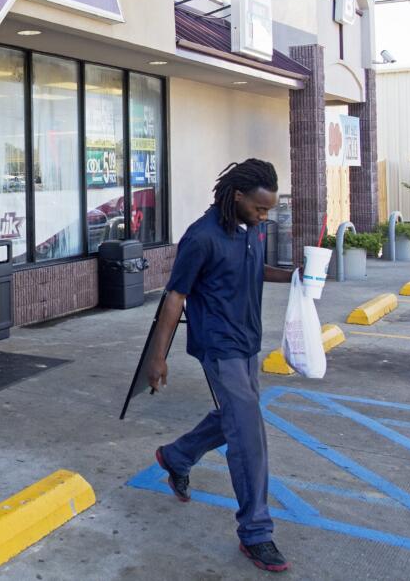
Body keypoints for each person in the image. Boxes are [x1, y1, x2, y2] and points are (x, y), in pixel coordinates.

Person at [145, 159, 294, 573]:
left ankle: (177, 456)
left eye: (269, 210)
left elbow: (251, 269)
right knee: (248, 438)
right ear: (237, 197)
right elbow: (175, 296)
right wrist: (158, 357)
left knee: (235, 416)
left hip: (248, 343)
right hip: (219, 346)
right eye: (260, 209)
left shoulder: (249, 229)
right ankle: (256, 532)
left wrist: (294, 275)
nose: (265, 217)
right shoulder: (201, 237)